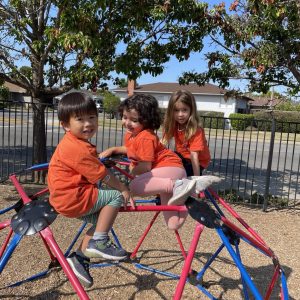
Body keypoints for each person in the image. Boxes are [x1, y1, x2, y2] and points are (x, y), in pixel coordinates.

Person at [48, 92, 135, 288]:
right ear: (66, 125)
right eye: (80, 119)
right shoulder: (77, 148)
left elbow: (91, 166)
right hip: (74, 196)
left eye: (92, 117)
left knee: (100, 221)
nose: (88, 123)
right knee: (114, 197)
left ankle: (79, 258)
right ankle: (100, 242)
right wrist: (123, 188)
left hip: (65, 199)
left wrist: (101, 162)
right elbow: (101, 175)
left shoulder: (75, 143)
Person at [99, 93, 218, 230]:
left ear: (146, 120)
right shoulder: (133, 135)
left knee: (134, 186)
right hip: (174, 168)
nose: (127, 122)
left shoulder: (146, 137)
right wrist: (114, 149)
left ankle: (181, 185)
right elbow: (133, 149)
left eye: (134, 120)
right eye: (125, 117)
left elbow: (145, 167)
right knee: (174, 224)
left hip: (174, 166)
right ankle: (185, 197)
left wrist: (132, 169)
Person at [162, 89, 211, 178]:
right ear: (171, 111)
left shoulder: (196, 130)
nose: (180, 114)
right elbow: (162, 143)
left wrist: (196, 179)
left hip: (198, 162)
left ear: (191, 110)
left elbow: (194, 155)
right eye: (176, 110)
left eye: (184, 110)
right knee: (167, 159)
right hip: (183, 158)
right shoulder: (174, 124)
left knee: (178, 176)